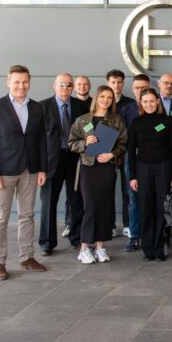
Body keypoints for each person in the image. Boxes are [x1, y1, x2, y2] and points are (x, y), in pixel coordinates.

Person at [0, 65, 48, 280]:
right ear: (8, 82)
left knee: (27, 215)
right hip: (4, 172)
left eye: (25, 81)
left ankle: (27, 257)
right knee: (0, 217)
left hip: (30, 170)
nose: (21, 85)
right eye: (17, 81)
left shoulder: (37, 108)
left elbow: (41, 140)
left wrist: (42, 168)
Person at [68, 85, 128, 264]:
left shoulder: (116, 120)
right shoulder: (83, 120)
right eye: (102, 97)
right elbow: (71, 143)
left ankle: (100, 247)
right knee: (91, 207)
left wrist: (112, 154)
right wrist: (85, 143)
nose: (105, 100)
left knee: (104, 207)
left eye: (109, 98)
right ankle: (84, 248)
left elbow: (123, 143)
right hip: (88, 168)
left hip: (106, 168)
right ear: (96, 98)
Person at [128, 88, 172, 261]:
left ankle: (159, 248)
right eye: (145, 101)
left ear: (157, 101)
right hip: (143, 169)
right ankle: (148, 249)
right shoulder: (136, 123)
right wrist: (132, 176)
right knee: (146, 207)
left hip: (164, 168)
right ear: (141, 103)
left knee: (161, 208)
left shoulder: (167, 121)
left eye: (151, 101)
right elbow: (130, 151)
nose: (149, 104)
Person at [38, 73, 86, 256]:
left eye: (68, 85)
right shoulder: (42, 107)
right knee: (48, 202)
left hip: (75, 159)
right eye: (61, 84)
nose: (65, 88)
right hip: (51, 161)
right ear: (54, 86)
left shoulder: (81, 106)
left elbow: (88, 129)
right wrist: (40, 166)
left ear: (72, 87)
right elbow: (37, 139)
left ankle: (77, 238)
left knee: (76, 200)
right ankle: (47, 242)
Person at [119, 74, 153, 252]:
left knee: (152, 197)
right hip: (131, 157)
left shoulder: (155, 108)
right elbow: (121, 135)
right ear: (132, 89)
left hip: (153, 159)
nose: (140, 91)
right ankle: (135, 235)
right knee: (133, 198)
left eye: (144, 88)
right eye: (137, 88)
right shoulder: (126, 110)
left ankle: (152, 234)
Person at [107, 69, 135, 238]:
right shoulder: (103, 101)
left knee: (127, 191)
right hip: (107, 154)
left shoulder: (130, 104)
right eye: (113, 82)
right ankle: (109, 225)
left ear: (123, 83)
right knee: (107, 191)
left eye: (119, 82)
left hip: (124, 152)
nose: (116, 85)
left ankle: (127, 224)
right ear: (108, 83)